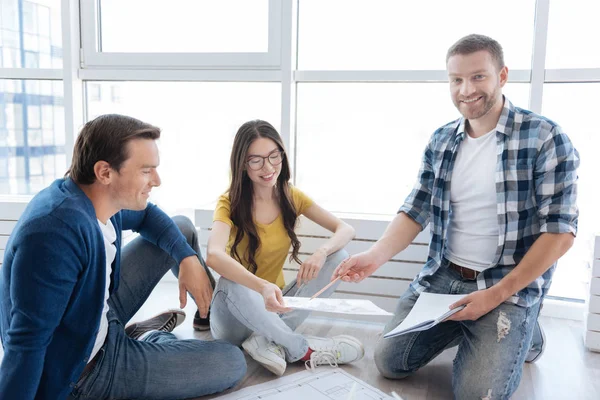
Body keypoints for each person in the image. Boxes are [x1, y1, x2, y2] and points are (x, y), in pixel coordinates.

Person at [334, 34, 579, 399]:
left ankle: (524, 331)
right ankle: (473, 325)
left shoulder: (545, 137)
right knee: (389, 362)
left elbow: (560, 233)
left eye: (479, 77)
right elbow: (415, 208)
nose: (466, 90)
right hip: (445, 277)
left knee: (475, 394)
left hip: (506, 282)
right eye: (456, 80)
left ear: (503, 76)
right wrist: (375, 255)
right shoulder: (441, 141)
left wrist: (496, 295)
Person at [0, 114, 246, 400]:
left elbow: (148, 215)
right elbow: (26, 345)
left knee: (180, 230)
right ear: (105, 172)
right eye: (146, 171)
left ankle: (149, 335)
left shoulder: (96, 197)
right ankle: (150, 339)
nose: (157, 180)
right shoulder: (54, 235)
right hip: (86, 371)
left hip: (93, 315)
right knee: (231, 361)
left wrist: (187, 258)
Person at [206, 120, 364, 376]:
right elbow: (213, 255)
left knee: (339, 257)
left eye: (273, 156)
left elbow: (345, 229)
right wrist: (262, 286)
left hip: (274, 307)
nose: (268, 167)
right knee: (232, 281)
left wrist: (321, 253)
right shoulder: (229, 203)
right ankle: (301, 349)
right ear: (242, 164)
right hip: (233, 319)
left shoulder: (291, 196)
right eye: (256, 160)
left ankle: (267, 341)